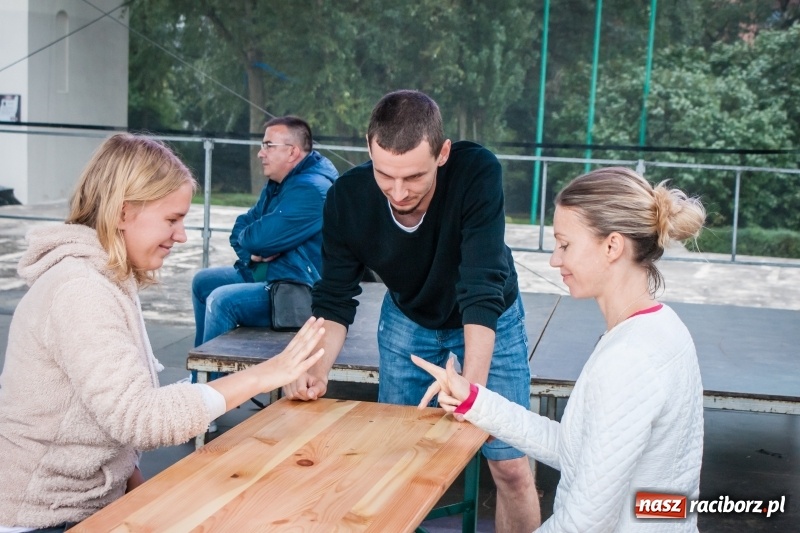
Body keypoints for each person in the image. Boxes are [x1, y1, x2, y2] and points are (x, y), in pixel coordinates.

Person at [0, 133, 326, 533]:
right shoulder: (80, 290)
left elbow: (111, 422)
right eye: (172, 219)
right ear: (122, 213)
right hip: (43, 518)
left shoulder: (105, 277)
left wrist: (142, 495)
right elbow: (139, 419)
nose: (182, 235)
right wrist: (266, 373)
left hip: (86, 503)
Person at [283, 90, 541, 532]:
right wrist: (314, 366)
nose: (399, 192)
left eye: (415, 177)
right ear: (369, 148)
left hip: (487, 318)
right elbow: (334, 300)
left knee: (511, 468)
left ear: (442, 153)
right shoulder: (347, 198)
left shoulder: (477, 172)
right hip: (408, 321)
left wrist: (472, 393)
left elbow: (480, 287)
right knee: (393, 467)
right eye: (386, 175)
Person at [413, 166, 706, 532]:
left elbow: (584, 522)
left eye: (565, 244)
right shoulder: (662, 328)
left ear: (612, 246)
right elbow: (574, 449)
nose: (555, 259)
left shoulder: (629, 359)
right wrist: (474, 399)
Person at [191, 115, 337, 347]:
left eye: (268, 145)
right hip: (271, 274)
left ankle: (215, 383)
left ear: (292, 152)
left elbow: (256, 238)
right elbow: (241, 229)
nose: (261, 153)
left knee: (221, 301)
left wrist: (255, 245)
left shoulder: (311, 190)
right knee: (203, 282)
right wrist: (251, 254)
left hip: (299, 290)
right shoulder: (280, 183)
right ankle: (198, 375)